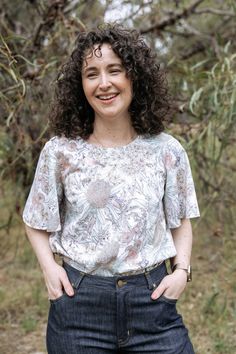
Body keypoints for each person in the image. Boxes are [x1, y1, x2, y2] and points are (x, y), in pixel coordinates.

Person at [23, 23, 200, 354]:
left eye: (114, 70)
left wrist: (182, 271)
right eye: (92, 74)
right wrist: (50, 269)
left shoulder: (167, 150)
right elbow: (35, 221)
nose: (104, 83)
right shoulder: (60, 151)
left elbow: (181, 220)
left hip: (153, 303)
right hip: (79, 307)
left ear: (134, 77)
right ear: (81, 85)